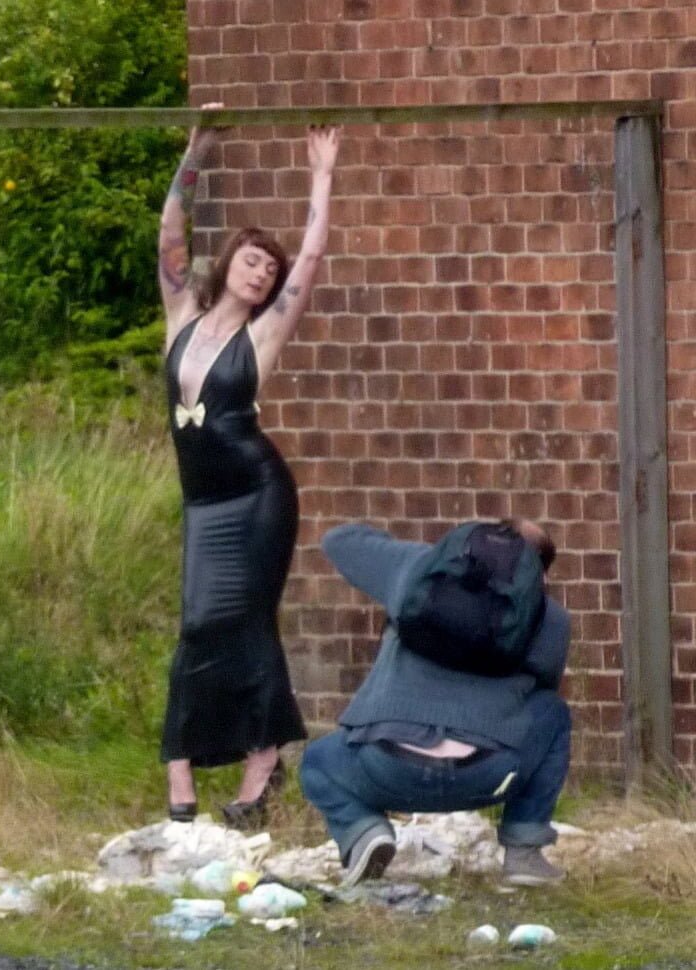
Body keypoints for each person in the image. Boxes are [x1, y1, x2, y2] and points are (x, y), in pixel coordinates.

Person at [157, 104, 339, 831]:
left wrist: (321, 181)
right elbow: (171, 230)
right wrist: (196, 150)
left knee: (250, 622)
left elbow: (314, 258)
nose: (263, 272)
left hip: (259, 495)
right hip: (205, 504)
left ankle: (261, 762)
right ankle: (182, 758)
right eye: (254, 260)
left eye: (272, 268)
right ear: (229, 261)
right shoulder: (181, 313)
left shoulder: (264, 337)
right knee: (201, 623)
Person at [299, 518, 572, 888]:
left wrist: (430, 559)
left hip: (386, 767)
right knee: (553, 714)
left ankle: (363, 832)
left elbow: (338, 539)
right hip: (486, 776)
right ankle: (524, 851)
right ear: (539, 574)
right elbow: (543, 691)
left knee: (318, 761)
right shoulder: (549, 616)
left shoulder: (416, 572)